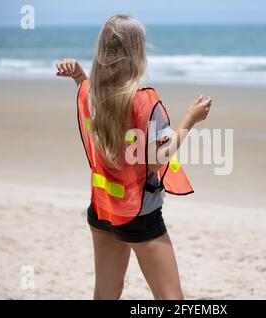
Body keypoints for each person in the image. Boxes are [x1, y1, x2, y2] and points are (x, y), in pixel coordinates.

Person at [56, 14, 212, 300]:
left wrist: (79, 77)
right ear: (136, 52)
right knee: (171, 298)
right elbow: (156, 159)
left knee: (105, 293)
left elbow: (89, 92)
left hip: (102, 207)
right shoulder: (145, 102)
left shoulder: (90, 93)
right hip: (139, 213)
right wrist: (190, 121)